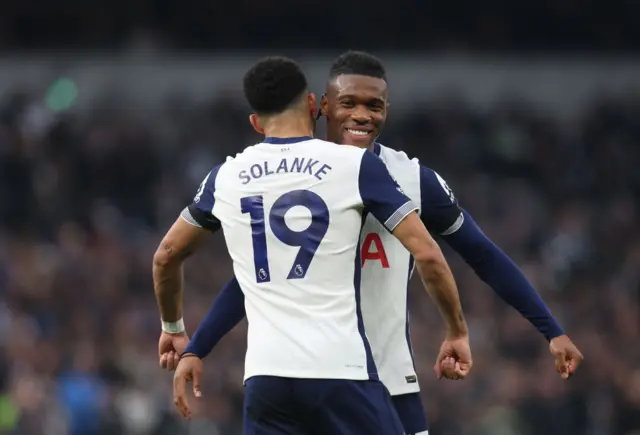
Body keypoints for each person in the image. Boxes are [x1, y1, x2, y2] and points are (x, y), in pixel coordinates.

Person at [163, 51, 585, 435]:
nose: (361, 115)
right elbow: (251, 282)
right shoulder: (285, 181)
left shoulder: (413, 179)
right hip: (321, 376)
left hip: (389, 378)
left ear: (388, 110)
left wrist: (550, 330)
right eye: (348, 104)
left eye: (374, 105)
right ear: (321, 106)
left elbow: (482, 255)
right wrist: (198, 346)